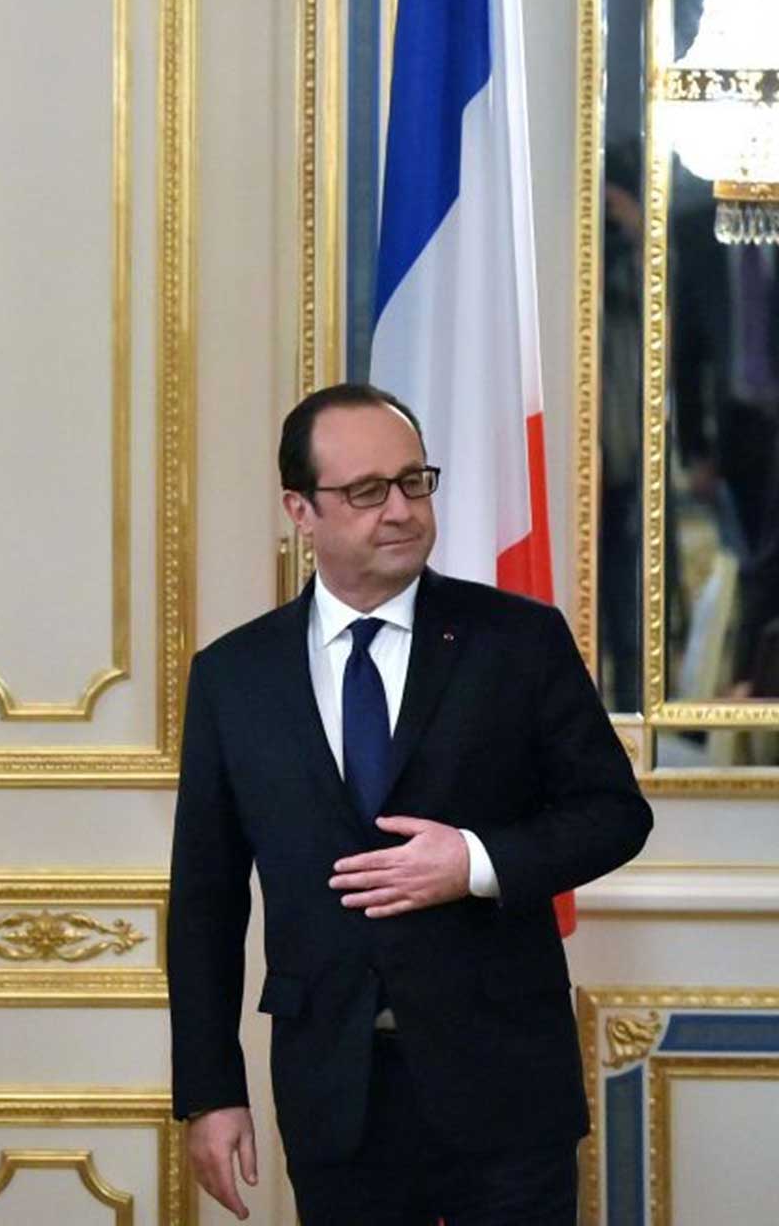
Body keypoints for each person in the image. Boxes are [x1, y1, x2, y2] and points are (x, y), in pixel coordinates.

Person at [168, 383, 652, 1225]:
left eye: (414, 482)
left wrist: (473, 862)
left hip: (503, 1083)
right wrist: (210, 1093)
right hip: (335, 1091)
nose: (400, 510)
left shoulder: (518, 640)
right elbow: (206, 900)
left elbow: (614, 813)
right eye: (365, 491)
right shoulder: (232, 678)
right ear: (300, 509)